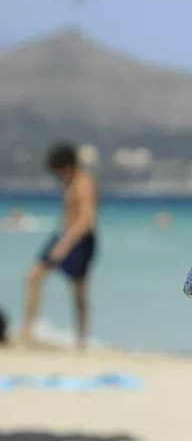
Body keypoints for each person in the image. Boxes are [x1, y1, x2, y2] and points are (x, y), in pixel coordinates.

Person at [20, 143, 98, 349]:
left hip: (79, 240)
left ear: (67, 167)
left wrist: (65, 243)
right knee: (33, 276)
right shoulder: (70, 182)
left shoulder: (84, 183)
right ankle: (27, 330)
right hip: (63, 235)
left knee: (78, 291)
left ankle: (81, 340)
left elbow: (87, 219)